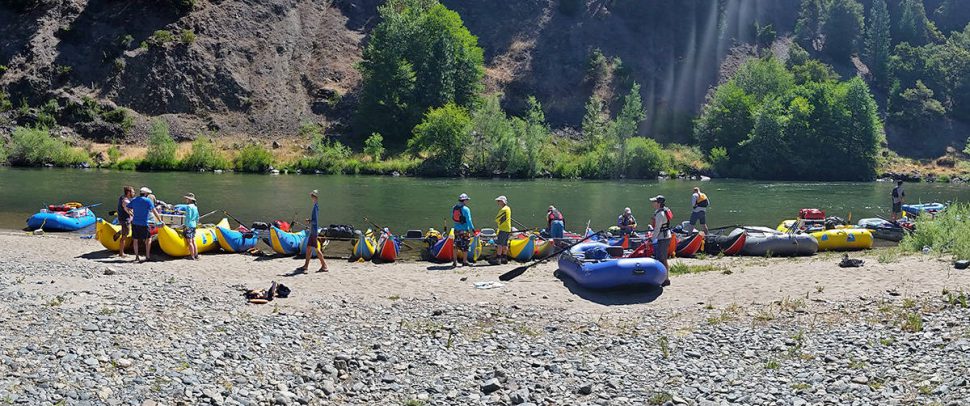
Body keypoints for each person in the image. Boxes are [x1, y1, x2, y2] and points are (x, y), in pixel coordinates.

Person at [128, 187, 162, 263]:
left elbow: (128, 208)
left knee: (135, 240)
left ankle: (136, 257)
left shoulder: (135, 200)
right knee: (148, 239)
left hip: (135, 223)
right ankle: (147, 256)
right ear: (146, 194)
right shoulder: (148, 201)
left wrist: (132, 214)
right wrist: (160, 220)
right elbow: (154, 211)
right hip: (144, 223)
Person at [299, 190, 328, 273]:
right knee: (308, 248)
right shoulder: (316, 206)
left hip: (314, 232)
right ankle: (306, 266)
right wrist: (310, 221)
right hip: (313, 231)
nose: (311, 197)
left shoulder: (315, 208)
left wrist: (310, 221)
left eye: (312, 196)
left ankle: (324, 266)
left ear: (315, 197)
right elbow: (314, 220)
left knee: (316, 249)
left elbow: (315, 221)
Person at [650, 195, 673, 287]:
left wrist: (652, 239)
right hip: (665, 236)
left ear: (659, 203)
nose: (653, 203)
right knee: (662, 258)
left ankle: (665, 279)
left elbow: (657, 229)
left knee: (662, 258)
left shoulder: (660, 214)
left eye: (654, 202)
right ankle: (664, 278)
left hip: (663, 238)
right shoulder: (660, 212)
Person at [452, 193, 474, 267]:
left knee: (455, 245)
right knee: (465, 246)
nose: (467, 201)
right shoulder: (466, 209)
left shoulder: (454, 208)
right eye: (467, 200)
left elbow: (453, 218)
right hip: (464, 230)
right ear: (464, 200)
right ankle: (464, 261)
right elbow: (469, 220)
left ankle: (454, 262)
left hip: (456, 230)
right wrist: (473, 229)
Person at [177, 193, 200, 260]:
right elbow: (197, 217)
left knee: (189, 242)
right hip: (194, 225)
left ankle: (192, 256)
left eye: (187, 199)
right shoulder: (195, 207)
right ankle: (196, 255)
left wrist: (185, 225)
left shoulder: (189, 206)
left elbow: (189, 217)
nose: (186, 200)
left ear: (190, 200)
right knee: (193, 240)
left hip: (189, 225)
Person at [115, 186, 134, 257]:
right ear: (129, 192)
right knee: (124, 236)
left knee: (126, 232)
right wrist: (134, 216)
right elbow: (128, 211)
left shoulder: (122, 197)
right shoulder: (126, 201)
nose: (134, 193)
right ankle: (121, 253)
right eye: (133, 191)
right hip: (125, 219)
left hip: (123, 219)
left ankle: (120, 231)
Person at [494, 196, 511, 264]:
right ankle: (504, 258)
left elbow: (497, 219)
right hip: (508, 229)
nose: (498, 203)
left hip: (503, 229)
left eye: (499, 201)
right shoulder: (508, 208)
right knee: (505, 244)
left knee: (500, 244)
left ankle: (498, 259)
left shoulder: (503, 210)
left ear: (502, 202)